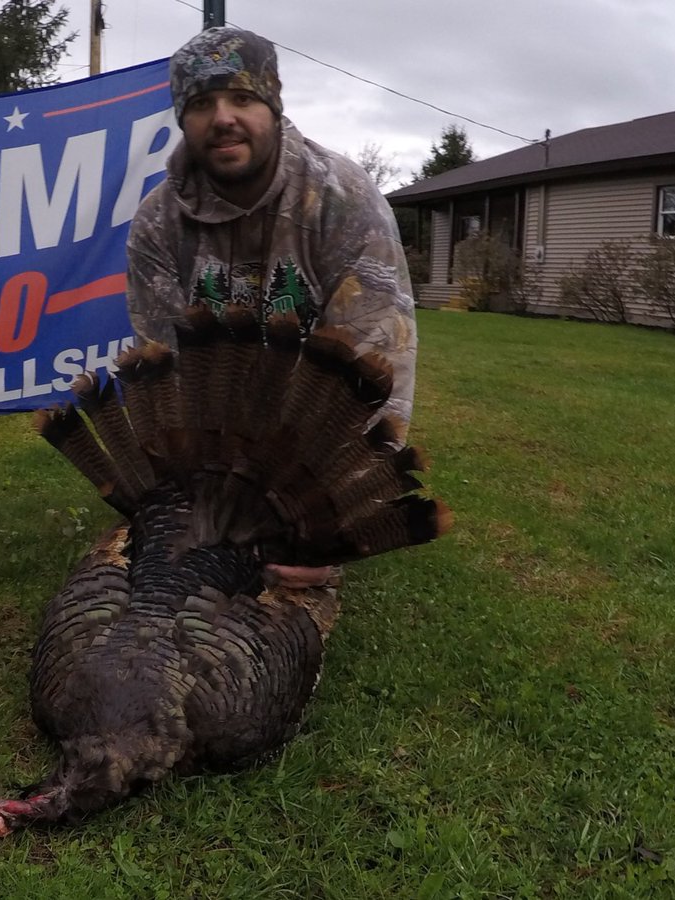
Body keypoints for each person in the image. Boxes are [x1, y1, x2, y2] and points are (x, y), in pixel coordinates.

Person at [124, 26, 418, 589]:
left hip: (309, 443)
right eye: (202, 103)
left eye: (242, 98)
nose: (223, 118)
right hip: (216, 440)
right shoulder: (156, 224)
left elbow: (379, 358)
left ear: (273, 106)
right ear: (182, 118)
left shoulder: (342, 197)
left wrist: (335, 521)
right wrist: (189, 504)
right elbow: (165, 371)